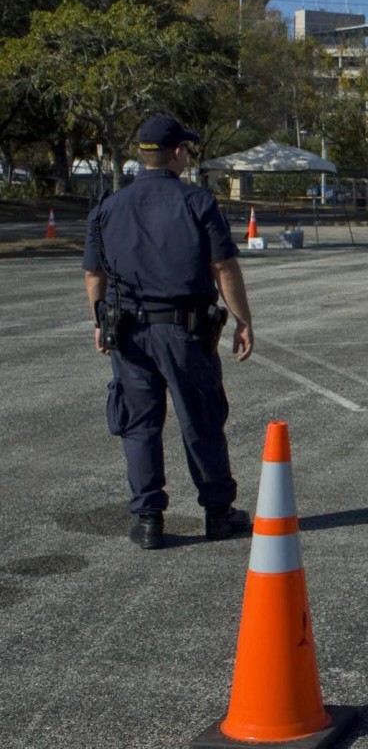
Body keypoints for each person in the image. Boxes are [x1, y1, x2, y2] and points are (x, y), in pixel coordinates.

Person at [83, 115, 255, 549]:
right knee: (201, 420)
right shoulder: (197, 202)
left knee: (139, 425)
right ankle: (218, 513)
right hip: (185, 332)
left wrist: (99, 321)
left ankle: (148, 520)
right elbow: (223, 267)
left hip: (129, 333)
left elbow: (93, 274)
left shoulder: (108, 207)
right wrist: (242, 319)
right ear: (177, 152)